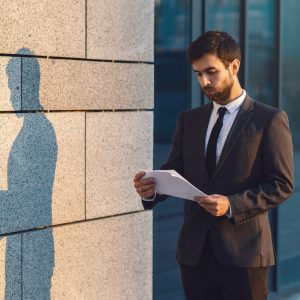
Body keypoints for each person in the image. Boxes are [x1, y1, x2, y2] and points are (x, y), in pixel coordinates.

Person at [133, 31, 294, 300]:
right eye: (198, 74)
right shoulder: (189, 120)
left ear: (234, 66)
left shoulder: (269, 120)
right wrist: (150, 189)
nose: (204, 81)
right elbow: (175, 171)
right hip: (194, 254)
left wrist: (231, 204)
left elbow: (282, 184)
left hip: (245, 256)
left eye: (211, 71)